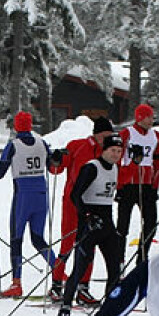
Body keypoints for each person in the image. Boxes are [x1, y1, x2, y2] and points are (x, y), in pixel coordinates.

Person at [54, 134, 124, 316]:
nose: (116, 155)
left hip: (107, 224)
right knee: (80, 268)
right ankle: (64, 311)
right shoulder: (92, 167)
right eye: (113, 150)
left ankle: (111, 314)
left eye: (119, 151)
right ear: (104, 150)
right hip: (90, 226)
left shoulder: (115, 168)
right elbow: (75, 194)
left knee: (115, 270)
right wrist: (87, 216)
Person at [48, 116, 114, 304]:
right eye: (105, 136)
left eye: (110, 136)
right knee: (68, 243)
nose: (107, 139)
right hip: (72, 202)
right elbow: (57, 169)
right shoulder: (77, 146)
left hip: (94, 204)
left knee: (89, 245)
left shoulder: (109, 152)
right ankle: (57, 284)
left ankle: (83, 288)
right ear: (96, 134)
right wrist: (55, 160)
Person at [0, 111, 58, 297]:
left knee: (16, 239)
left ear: (16, 126)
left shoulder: (13, 145)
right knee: (38, 239)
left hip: (23, 196)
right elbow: (53, 167)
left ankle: (16, 284)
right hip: (41, 194)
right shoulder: (42, 143)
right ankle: (60, 274)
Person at [117, 103, 159, 266]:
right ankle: (119, 260)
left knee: (151, 223)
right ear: (139, 118)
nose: (151, 121)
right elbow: (117, 159)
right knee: (122, 226)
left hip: (147, 185)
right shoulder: (127, 133)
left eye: (152, 117)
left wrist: (155, 186)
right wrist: (119, 185)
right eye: (148, 117)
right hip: (128, 184)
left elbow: (158, 162)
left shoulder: (156, 136)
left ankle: (142, 258)